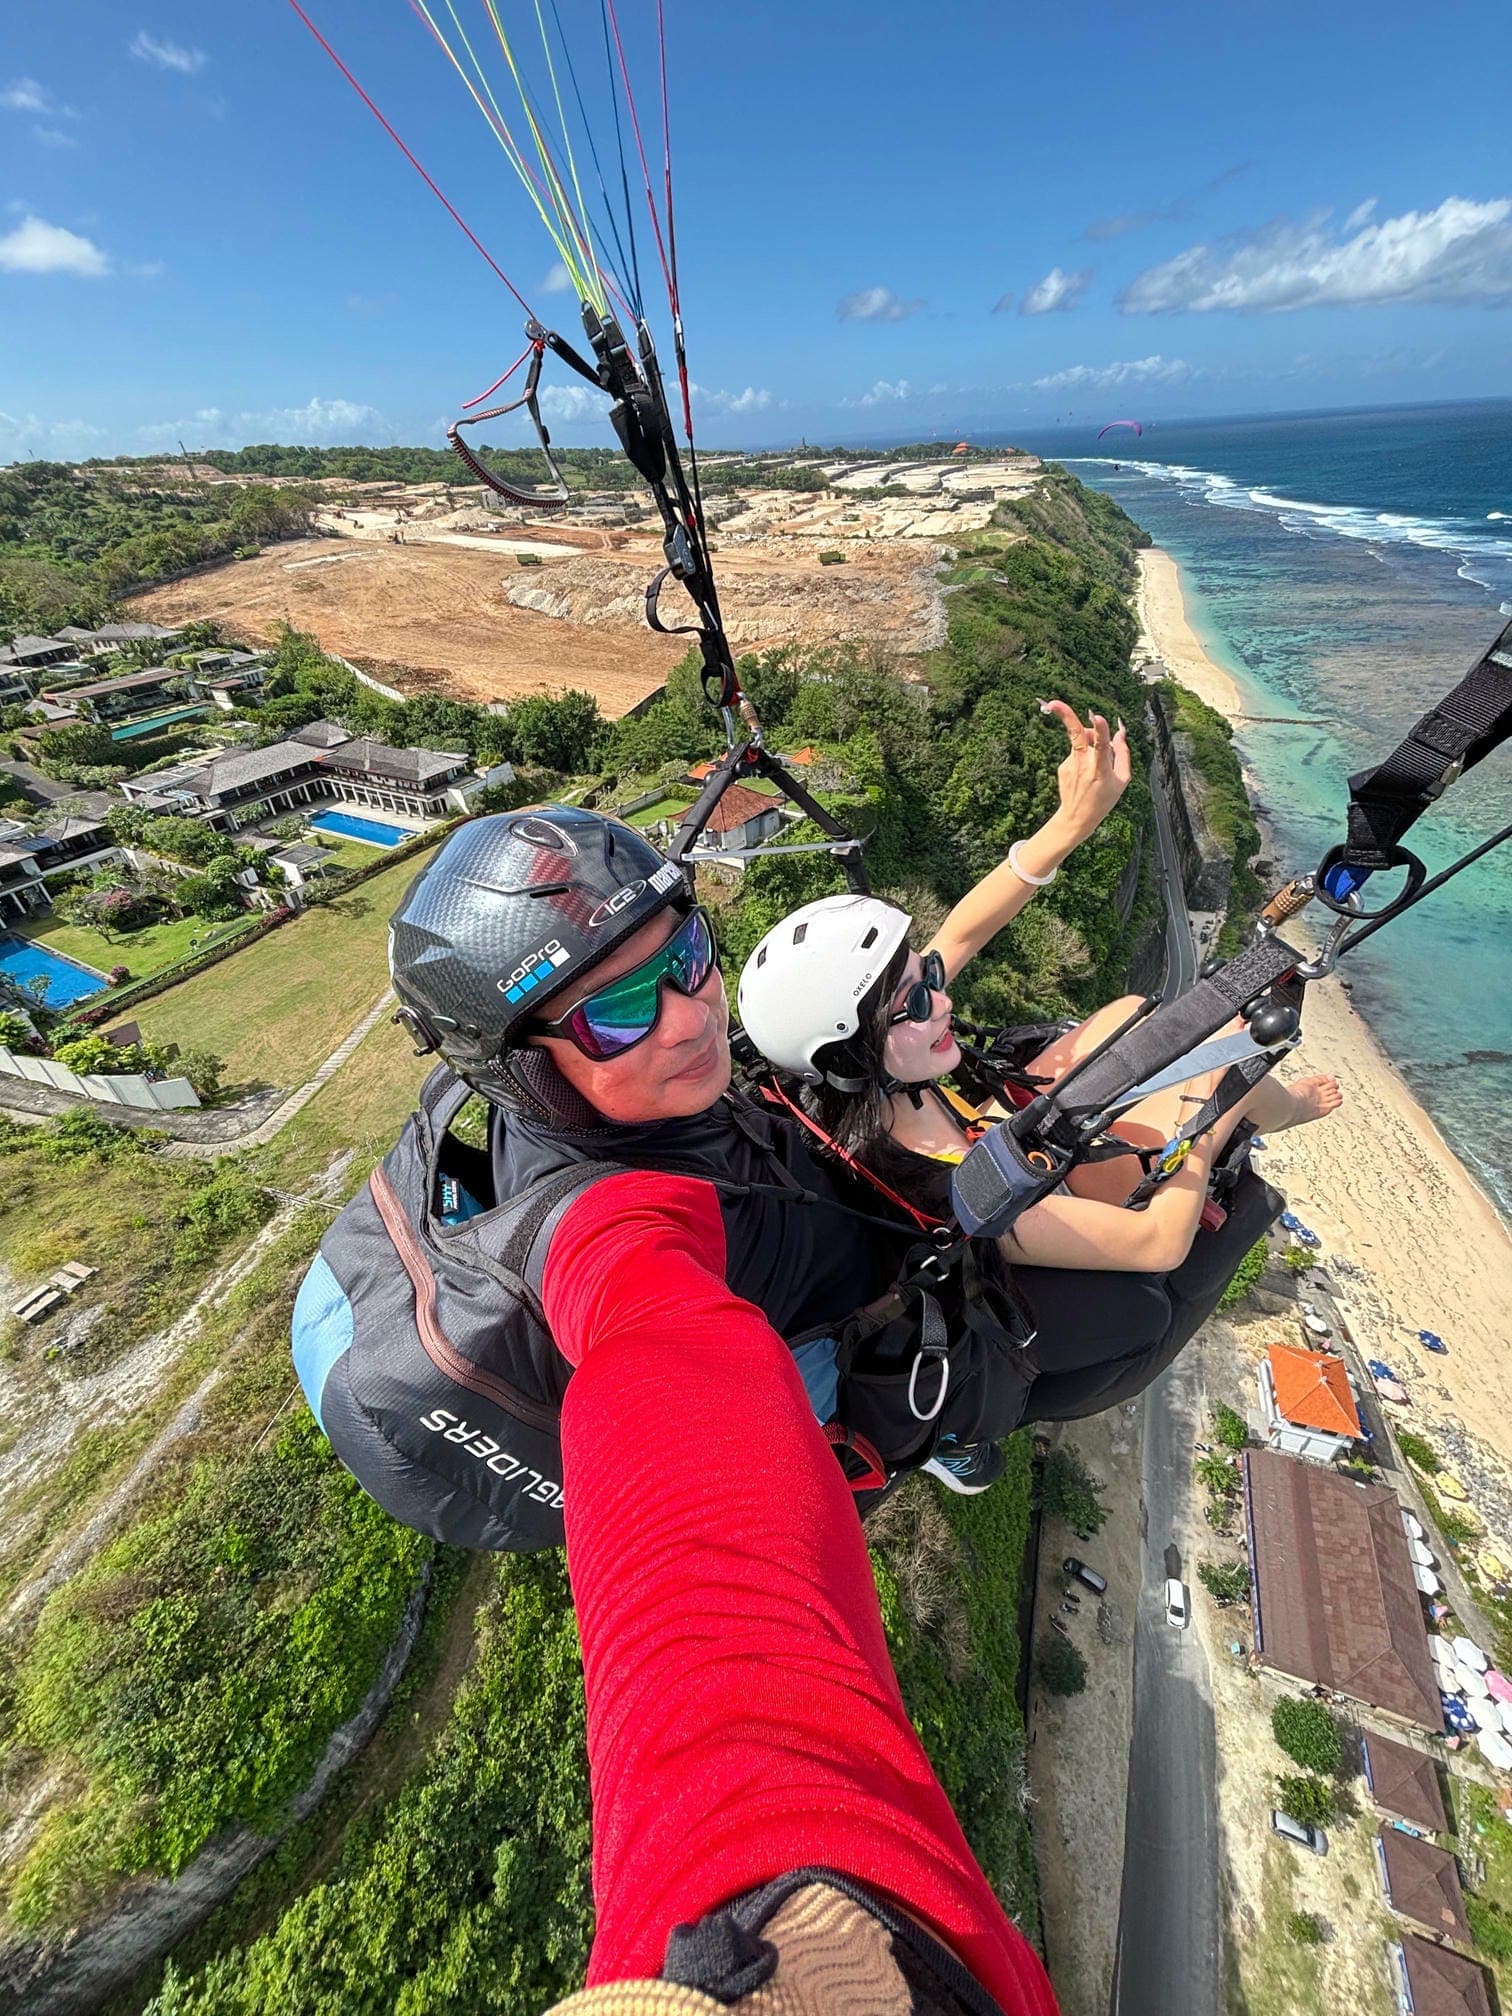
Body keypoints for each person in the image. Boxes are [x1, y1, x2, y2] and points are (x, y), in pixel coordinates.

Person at [737, 711, 1342, 1489]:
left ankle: (1267, 1103)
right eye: (913, 1005)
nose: (937, 998)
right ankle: (958, 1440)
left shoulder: (858, 1081)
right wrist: (1216, 1112)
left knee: (1129, 1015)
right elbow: (1160, 1245)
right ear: (855, 1054)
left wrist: (1069, 823)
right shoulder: (945, 1186)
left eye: (920, 979)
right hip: (1005, 1271)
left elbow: (960, 935)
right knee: (1211, 1078)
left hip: (987, 1145)